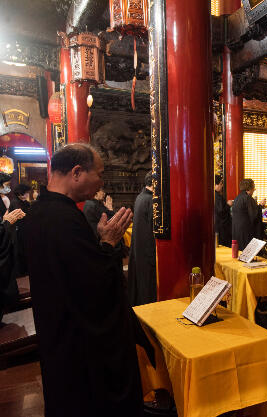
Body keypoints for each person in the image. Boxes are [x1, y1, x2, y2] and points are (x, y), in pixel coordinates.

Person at [23, 143, 152, 417]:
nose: (102, 183)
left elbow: (73, 267)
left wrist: (98, 243)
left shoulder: (40, 212)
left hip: (57, 332)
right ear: (77, 172)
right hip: (79, 347)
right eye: (100, 174)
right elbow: (94, 286)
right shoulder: (63, 219)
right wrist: (108, 244)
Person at [128, 172, 156, 306]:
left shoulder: (140, 197)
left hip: (139, 250)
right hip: (147, 251)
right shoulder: (151, 200)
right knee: (148, 289)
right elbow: (154, 228)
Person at [231, 178, 265, 250]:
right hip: (245, 229)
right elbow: (254, 215)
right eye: (253, 187)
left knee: (239, 249)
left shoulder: (238, 197)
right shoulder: (248, 198)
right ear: (250, 188)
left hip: (236, 228)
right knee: (246, 249)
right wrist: (260, 206)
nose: (254, 190)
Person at [214, 174, 233, 247]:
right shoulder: (217, 197)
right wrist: (228, 205)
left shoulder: (214, 195)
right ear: (215, 185)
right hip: (221, 227)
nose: (222, 186)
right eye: (220, 184)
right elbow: (221, 212)